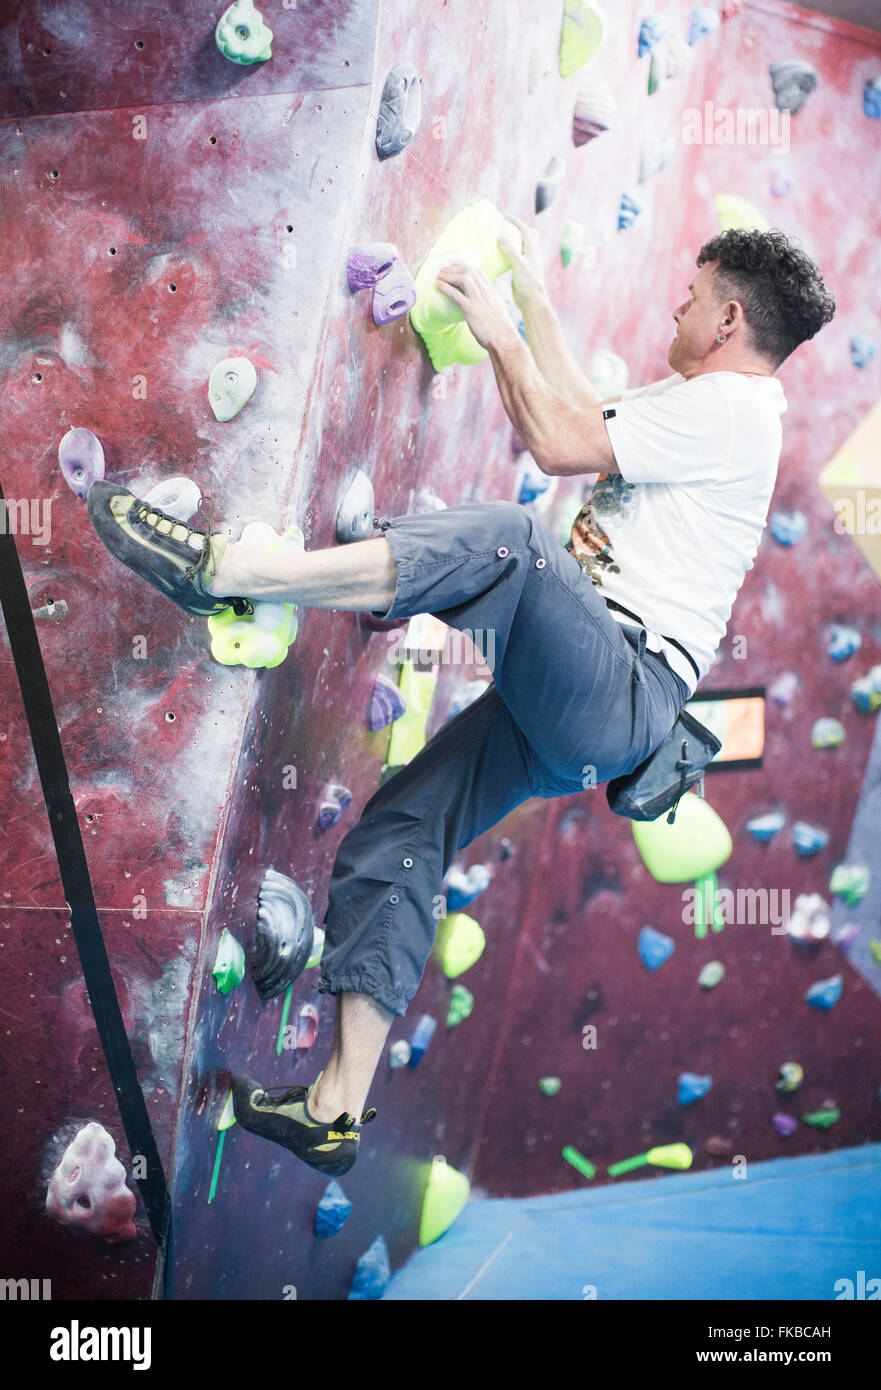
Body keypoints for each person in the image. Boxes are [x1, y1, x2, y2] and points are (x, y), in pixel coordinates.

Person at [87, 223, 834, 1175]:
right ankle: (333, 1107)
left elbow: (558, 437)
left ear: (729, 317)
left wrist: (495, 334)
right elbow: (583, 406)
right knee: (401, 830)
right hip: (578, 711)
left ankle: (232, 571)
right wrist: (524, 290)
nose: (676, 306)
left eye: (693, 296)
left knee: (515, 542)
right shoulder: (710, 402)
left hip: (617, 691)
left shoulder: (733, 408)